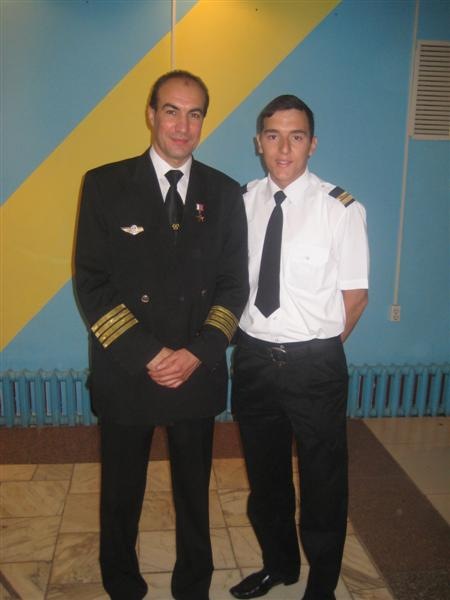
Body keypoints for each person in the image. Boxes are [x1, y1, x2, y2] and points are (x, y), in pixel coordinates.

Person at [74, 70, 249, 600]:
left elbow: (234, 286)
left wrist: (196, 353)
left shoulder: (224, 192)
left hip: (195, 371)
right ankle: (123, 585)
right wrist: (150, 354)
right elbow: (92, 283)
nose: (182, 125)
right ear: (151, 114)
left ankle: (193, 585)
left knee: (194, 493)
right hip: (128, 369)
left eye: (195, 114)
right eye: (171, 110)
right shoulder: (105, 184)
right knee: (121, 493)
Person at [229, 95, 369, 600]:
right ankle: (280, 566)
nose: (284, 148)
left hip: (315, 365)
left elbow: (355, 297)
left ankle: (322, 587)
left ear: (312, 144)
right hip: (253, 362)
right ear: (258, 143)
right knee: (265, 478)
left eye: (296, 136)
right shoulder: (240, 203)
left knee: (323, 482)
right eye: (273, 136)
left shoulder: (340, 209)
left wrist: (310, 349)